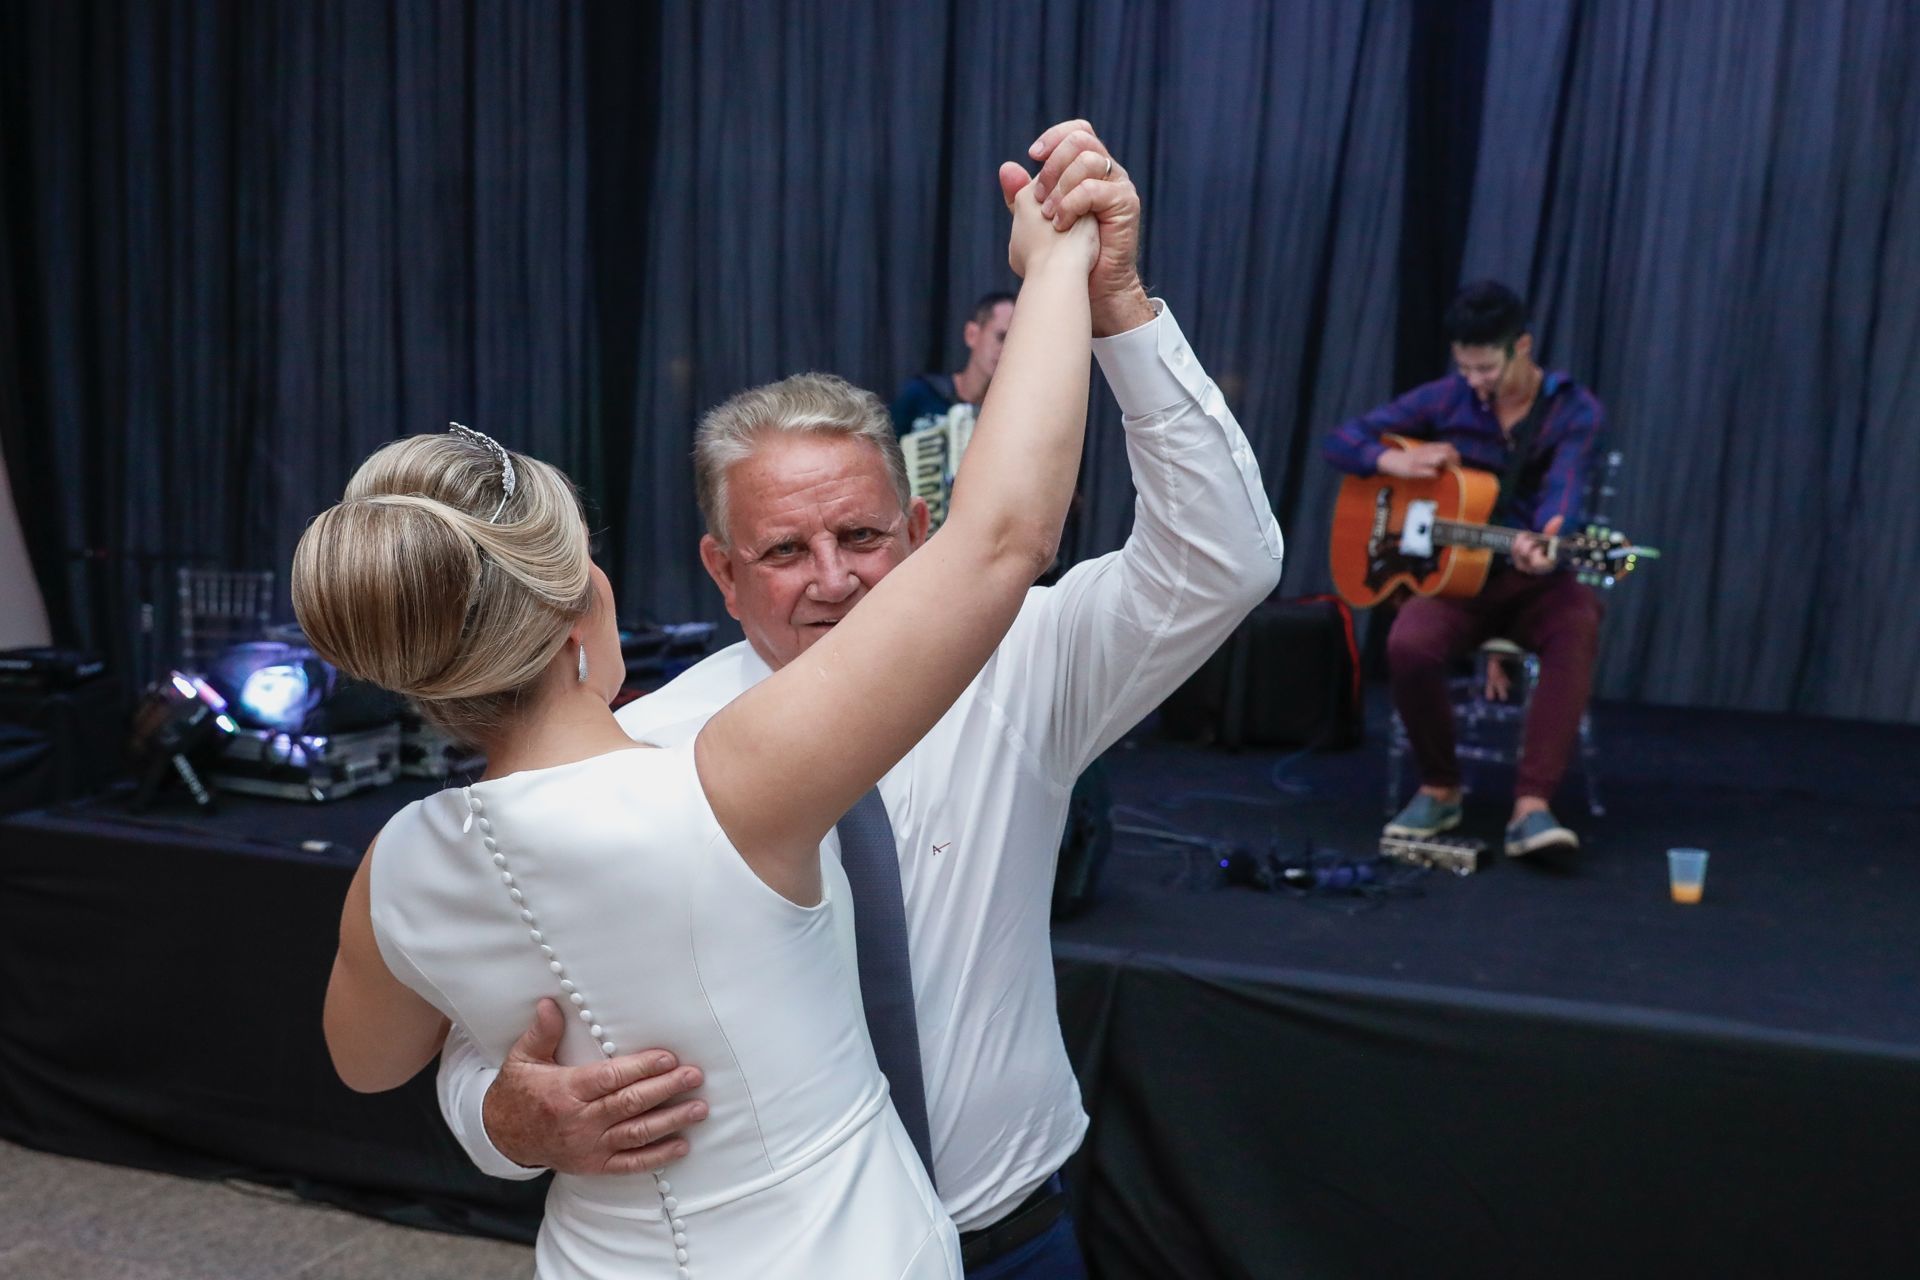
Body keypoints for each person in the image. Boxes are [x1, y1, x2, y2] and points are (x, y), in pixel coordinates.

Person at [437, 120, 1284, 1279]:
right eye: (784, 548)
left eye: (864, 534)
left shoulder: (1022, 661)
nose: (832, 578)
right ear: (721, 571)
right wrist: (505, 1119)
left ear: (922, 529)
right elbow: (477, 1038)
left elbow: (1223, 558)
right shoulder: (636, 750)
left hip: (1007, 1235)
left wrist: (1120, 304)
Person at [298, 168, 1100, 1279]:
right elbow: (1003, 538)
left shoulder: (394, 867)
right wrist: (1060, 259)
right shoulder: (732, 783)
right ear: (592, 599)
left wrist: (505, 1109)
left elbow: (366, 1061)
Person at [1324, 279, 1606, 857]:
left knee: (1577, 621)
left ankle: (1532, 807)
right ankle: (1440, 786)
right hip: (1456, 582)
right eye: (1466, 368)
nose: (1476, 382)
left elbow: (1565, 491)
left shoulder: (1572, 411)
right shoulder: (1446, 399)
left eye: (1486, 369)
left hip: (1532, 579)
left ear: (1521, 347)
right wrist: (1398, 460)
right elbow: (1342, 440)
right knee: (1408, 643)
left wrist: (1549, 538)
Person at [889, 291, 1015, 435]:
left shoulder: (1009, 414)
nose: (1007, 350)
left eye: (1015, 342)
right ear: (971, 334)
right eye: (1001, 337)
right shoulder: (921, 394)